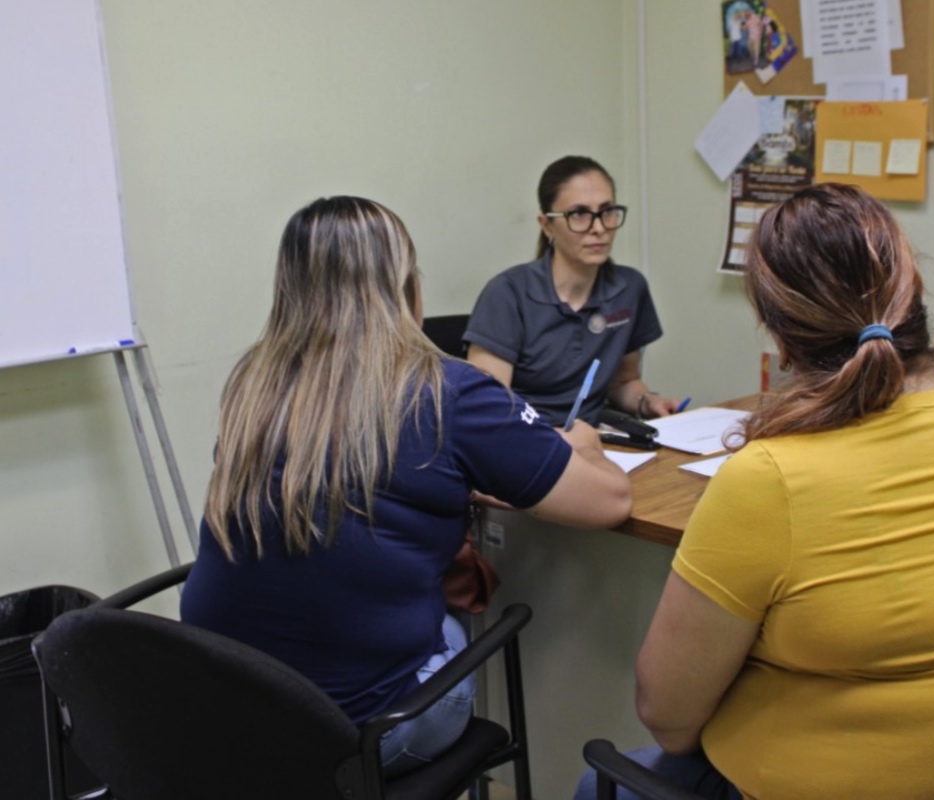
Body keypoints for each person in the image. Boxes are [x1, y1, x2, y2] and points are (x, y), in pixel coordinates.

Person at [576, 184, 934, 800]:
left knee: (599, 782)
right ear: (915, 298)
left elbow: (667, 716)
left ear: (783, 341)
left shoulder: (769, 480)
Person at [180, 196, 632, 777]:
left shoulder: (253, 384)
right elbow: (610, 502)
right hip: (358, 735)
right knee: (458, 601)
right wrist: (586, 447)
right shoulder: (447, 391)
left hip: (218, 706)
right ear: (406, 288)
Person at [464, 156, 680, 426]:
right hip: (524, 446)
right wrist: (555, 445)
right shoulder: (507, 294)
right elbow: (489, 411)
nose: (599, 228)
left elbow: (624, 382)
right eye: (579, 214)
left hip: (595, 441)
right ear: (547, 225)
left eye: (607, 211)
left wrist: (647, 402)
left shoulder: (630, 288)